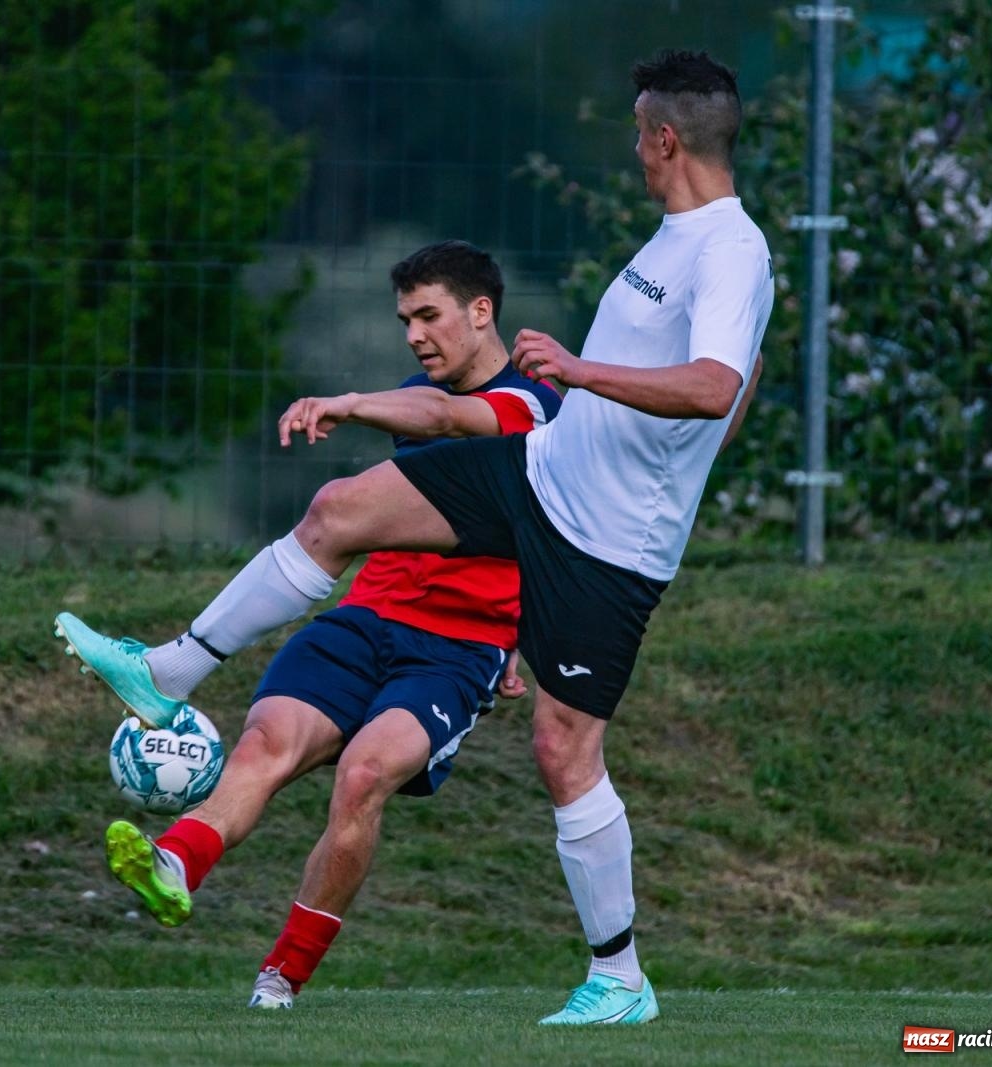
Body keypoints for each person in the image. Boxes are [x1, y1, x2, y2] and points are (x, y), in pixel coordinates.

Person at [55, 49, 771, 1025]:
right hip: (546, 477)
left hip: (605, 544)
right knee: (339, 510)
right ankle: (170, 670)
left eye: (636, 140)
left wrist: (579, 370)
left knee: (565, 752)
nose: (633, 157)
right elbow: (717, 396)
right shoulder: (670, 242)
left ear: (664, 138)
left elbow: (713, 389)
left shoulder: (728, 250)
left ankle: (619, 976)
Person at [60, 240, 560, 1008]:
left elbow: (462, 433)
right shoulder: (412, 396)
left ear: (481, 311)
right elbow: (435, 437)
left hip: (457, 650)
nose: (414, 335)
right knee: (266, 742)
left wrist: (346, 403)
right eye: (404, 320)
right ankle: (173, 865)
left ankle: (282, 974)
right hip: (364, 619)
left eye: (428, 316)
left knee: (363, 776)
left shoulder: (536, 403)